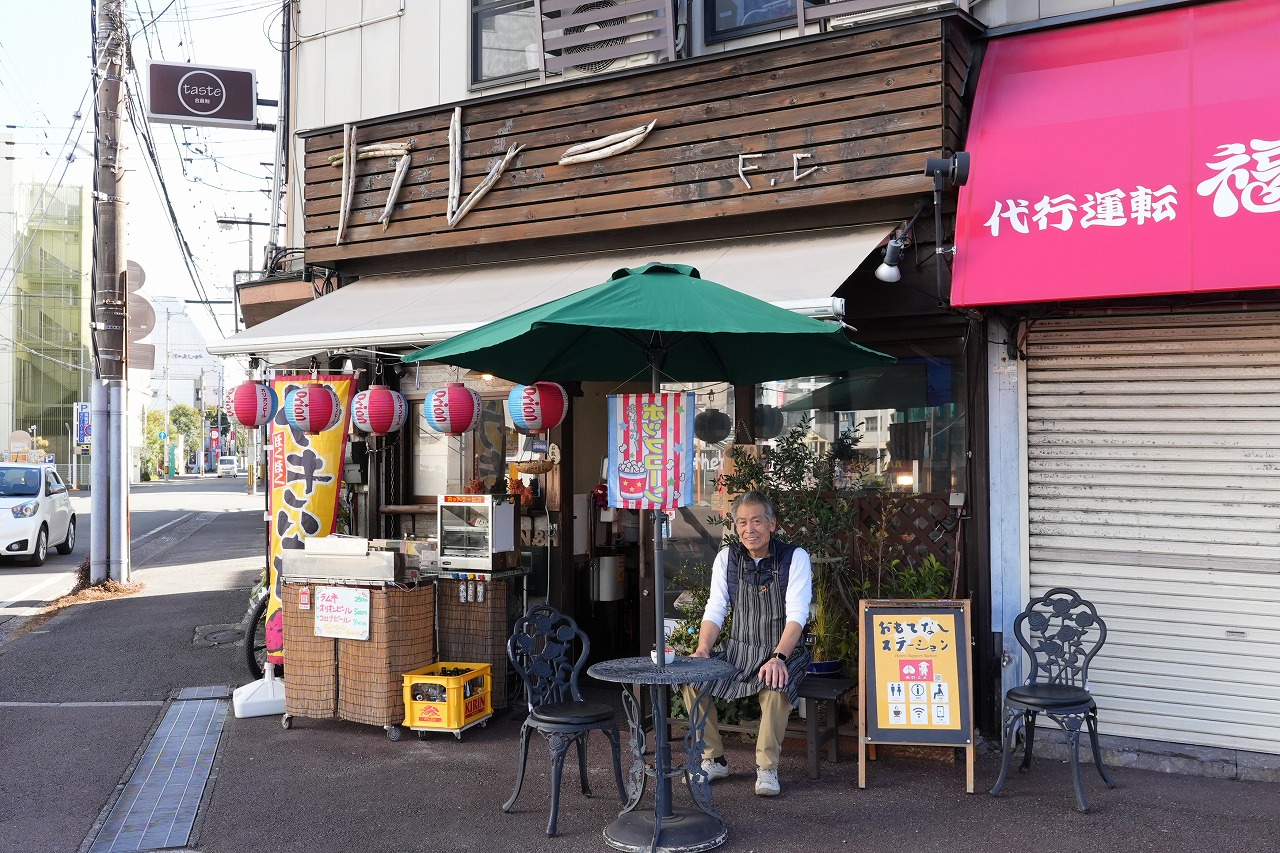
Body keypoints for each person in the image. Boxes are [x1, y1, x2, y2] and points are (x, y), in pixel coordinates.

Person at [682, 490, 812, 797]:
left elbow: (798, 615)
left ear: (772, 524)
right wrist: (702, 650)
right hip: (738, 650)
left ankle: (767, 768)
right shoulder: (727, 558)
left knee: (776, 685)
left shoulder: (795, 557)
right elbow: (716, 608)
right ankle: (712, 759)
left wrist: (779, 656)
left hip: (783, 650)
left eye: (756, 520)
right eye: (742, 522)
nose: (749, 529)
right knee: (691, 678)